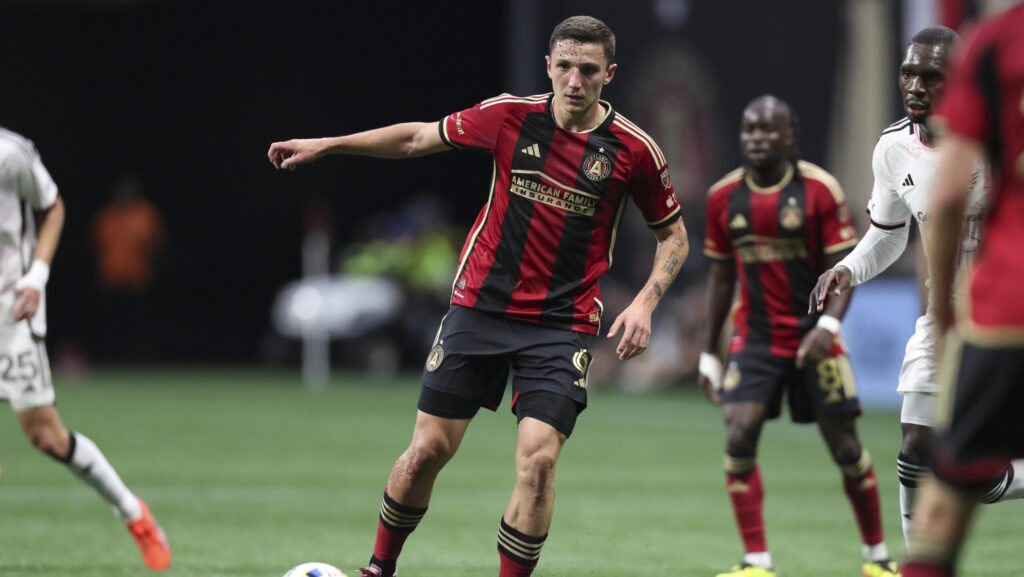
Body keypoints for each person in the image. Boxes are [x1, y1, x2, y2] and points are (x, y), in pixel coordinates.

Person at [268, 15, 689, 577]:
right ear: (548, 66)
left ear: (608, 74)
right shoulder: (509, 115)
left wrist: (644, 302)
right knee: (425, 454)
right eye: (564, 66)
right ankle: (378, 568)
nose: (574, 80)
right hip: (479, 307)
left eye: (588, 70)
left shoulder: (634, 151)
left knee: (538, 465)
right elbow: (418, 136)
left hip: (561, 325)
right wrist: (331, 144)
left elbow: (675, 236)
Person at [809, 24, 1024, 549]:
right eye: (909, 73)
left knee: (977, 471)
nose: (916, 86)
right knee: (916, 450)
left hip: (1008, 315)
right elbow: (886, 238)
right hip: (943, 317)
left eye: (932, 77)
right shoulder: (892, 150)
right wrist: (848, 269)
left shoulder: (999, 142)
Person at [699, 95, 897, 577]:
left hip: (814, 337)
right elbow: (721, 278)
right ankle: (756, 562)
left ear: (791, 136)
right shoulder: (723, 197)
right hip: (756, 339)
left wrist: (828, 327)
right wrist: (709, 353)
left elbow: (844, 271)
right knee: (739, 434)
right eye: (750, 130)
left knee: (846, 449)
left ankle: (877, 558)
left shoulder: (819, 190)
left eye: (769, 130)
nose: (758, 139)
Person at [0, 127, 171, 570]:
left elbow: (52, 207)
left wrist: (36, 277)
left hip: (10, 312)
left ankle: (134, 514)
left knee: (46, 436)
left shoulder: (10, 153)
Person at [900, 4, 1024, 576]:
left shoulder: (997, 41)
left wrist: (944, 312)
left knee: (950, 489)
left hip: (1003, 308)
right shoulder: (893, 147)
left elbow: (948, 195)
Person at [91, 174, 166, 363]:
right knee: (110, 324)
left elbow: (158, 243)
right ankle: (108, 359)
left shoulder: (146, 214)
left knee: (140, 325)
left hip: (138, 278)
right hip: (110, 278)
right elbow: (95, 244)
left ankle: (141, 360)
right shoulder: (107, 215)